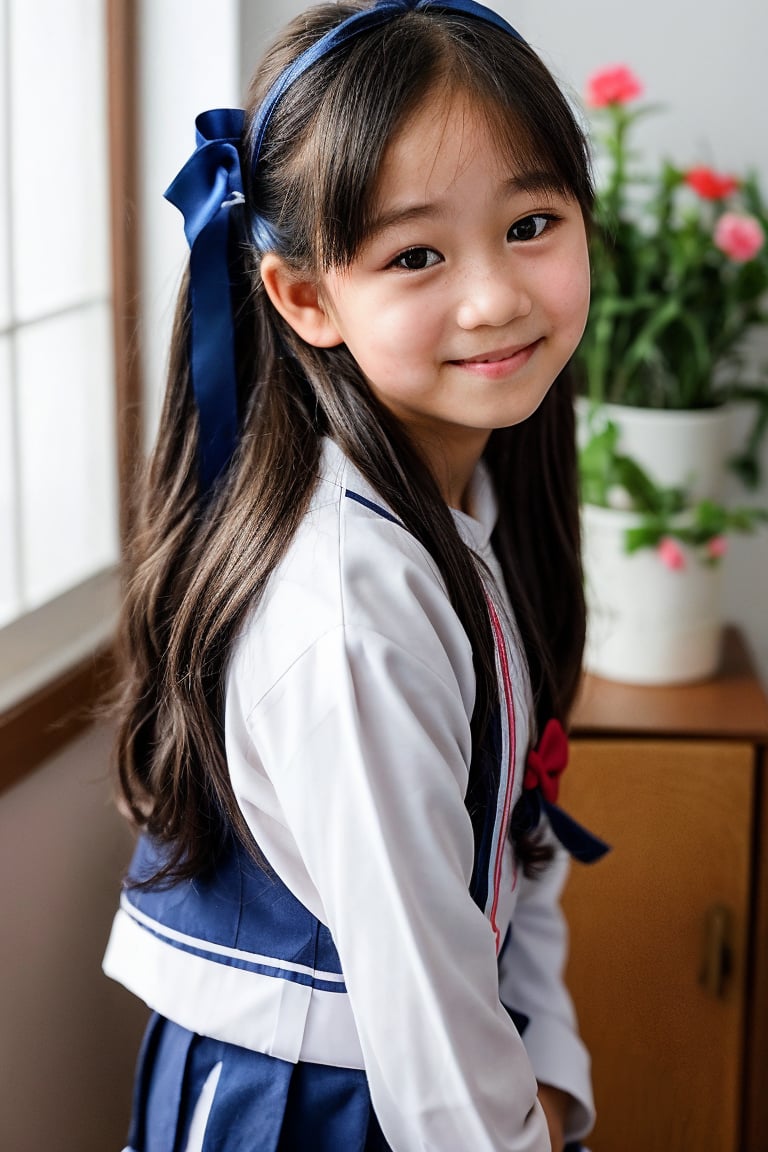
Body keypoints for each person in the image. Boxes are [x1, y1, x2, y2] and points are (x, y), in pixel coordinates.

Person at [103, 2, 608, 1149]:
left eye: (532, 222)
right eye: (417, 254)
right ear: (304, 296)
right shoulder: (346, 609)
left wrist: (557, 1082)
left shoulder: (475, 492)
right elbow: (435, 1061)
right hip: (307, 1107)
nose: (495, 297)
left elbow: (510, 846)